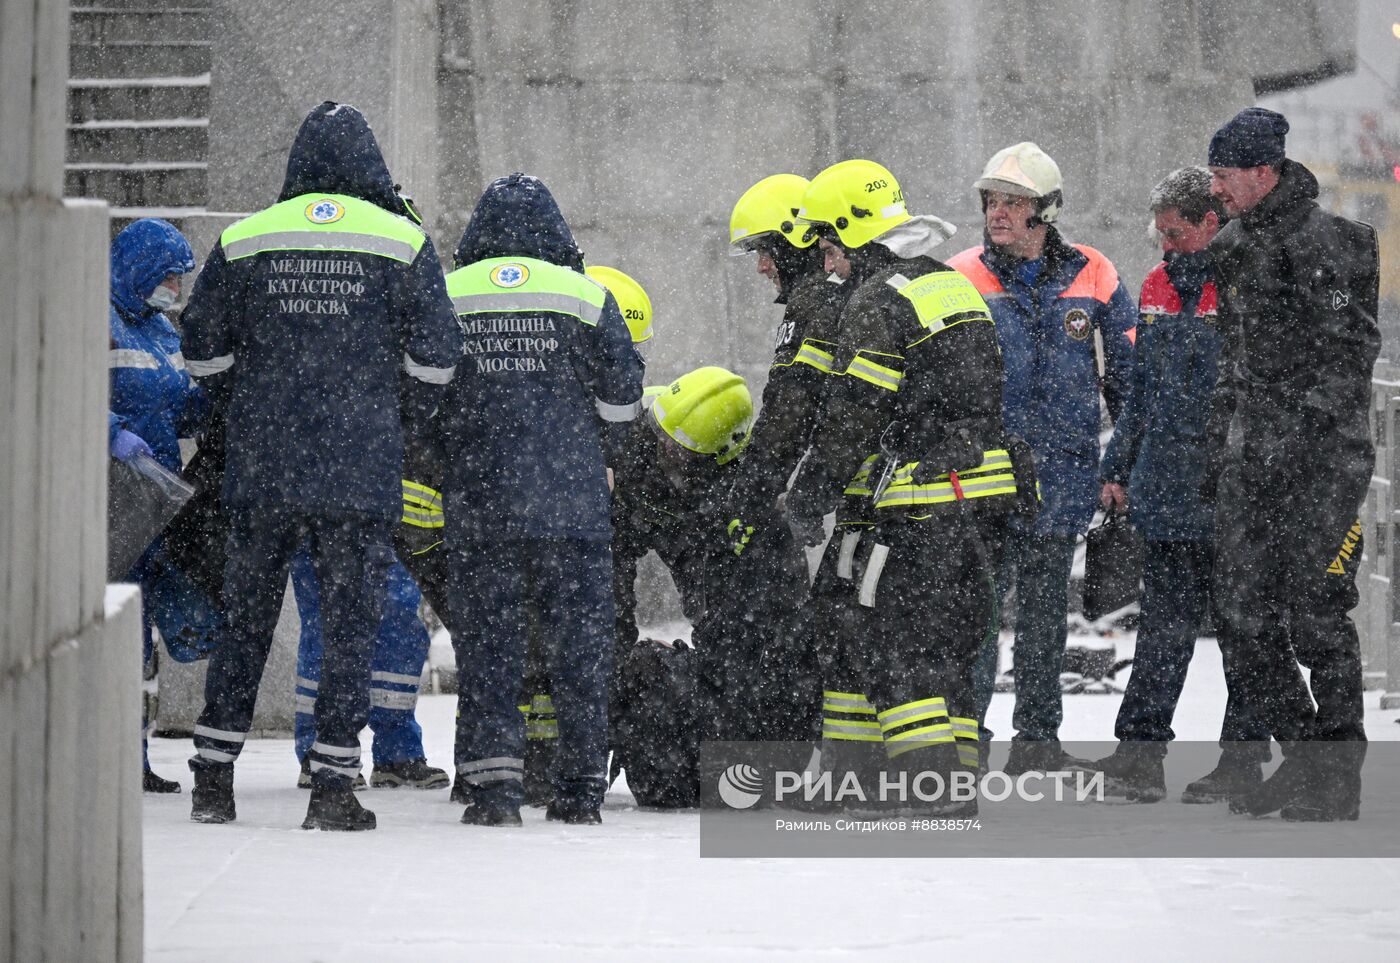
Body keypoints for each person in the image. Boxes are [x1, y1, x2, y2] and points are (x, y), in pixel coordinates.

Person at [180, 101, 463, 830]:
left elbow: (202, 351)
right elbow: (437, 361)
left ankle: (213, 776)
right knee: (349, 627)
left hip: (263, 466)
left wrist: (250, 400)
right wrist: (386, 408)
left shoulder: (246, 239)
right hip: (359, 471)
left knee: (247, 622)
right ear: (369, 164)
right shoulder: (400, 241)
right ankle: (334, 786)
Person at [789, 158, 1019, 807]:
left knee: (895, 642)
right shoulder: (950, 284)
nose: (830, 266)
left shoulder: (876, 301)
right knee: (947, 645)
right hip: (980, 501)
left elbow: (855, 414)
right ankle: (907, 772)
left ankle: (934, 785)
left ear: (856, 237)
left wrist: (809, 492)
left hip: (919, 505)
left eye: (832, 249)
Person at [438, 173, 643, 827]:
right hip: (571, 508)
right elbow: (622, 403)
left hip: (481, 508)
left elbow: (423, 397)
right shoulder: (587, 296)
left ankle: (496, 790)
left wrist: (458, 453)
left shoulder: (452, 294)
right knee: (579, 649)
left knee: (491, 647)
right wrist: (596, 455)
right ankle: (580, 789)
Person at [1204, 108, 1380, 821]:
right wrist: (1225, 436)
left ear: (1262, 171)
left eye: (1223, 175)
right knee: (1241, 609)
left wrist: (1300, 427)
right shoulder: (1234, 242)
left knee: (1317, 613)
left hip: (1323, 459)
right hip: (1253, 454)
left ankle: (1336, 774)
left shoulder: (1328, 242)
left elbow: (1350, 352)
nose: (1215, 188)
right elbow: (1234, 354)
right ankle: (1305, 752)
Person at [947, 142, 1137, 774]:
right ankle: (964, 742)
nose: (997, 213)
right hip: (980, 477)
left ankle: (1036, 743)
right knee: (975, 615)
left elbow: (1129, 381)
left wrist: (1121, 468)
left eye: (1013, 201)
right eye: (991, 201)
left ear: (1045, 210)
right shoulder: (959, 276)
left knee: (1042, 618)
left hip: (1062, 476)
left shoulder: (1095, 273)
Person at [1093, 167, 1270, 802]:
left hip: (1230, 491)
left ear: (1210, 224)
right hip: (1167, 489)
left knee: (1241, 633)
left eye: (1176, 233)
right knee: (1163, 631)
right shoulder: (1157, 287)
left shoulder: (1248, 283)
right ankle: (1139, 754)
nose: (1165, 246)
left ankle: (1241, 761)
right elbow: (1140, 391)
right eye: (1159, 233)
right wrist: (1117, 469)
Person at [107, 217, 201, 794]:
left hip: (155, 495)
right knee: (121, 627)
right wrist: (111, 432)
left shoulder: (163, 331)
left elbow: (181, 402)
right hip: (114, 492)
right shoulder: (101, 322)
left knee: (142, 632)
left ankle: (132, 757)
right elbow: (63, 389)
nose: (175, 286)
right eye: (167, 275)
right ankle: (117, 752)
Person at [291, 553, 448, 790]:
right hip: (321, 524)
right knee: (328, 623)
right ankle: (321, 752)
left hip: (391, 528)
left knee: (397, 629)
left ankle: (396, 752)